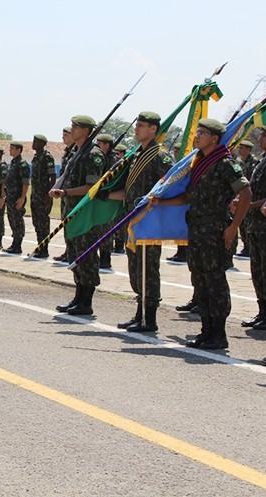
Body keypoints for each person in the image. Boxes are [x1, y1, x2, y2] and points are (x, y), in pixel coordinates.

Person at [153, 118, 250, 349]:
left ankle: (218, 333)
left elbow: (246, 194)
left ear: (214, 139)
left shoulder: (226, 163)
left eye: (201, 133)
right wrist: (161, 202)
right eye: (196, 133)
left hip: (215, 230)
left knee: (215, 280)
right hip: (197, 231)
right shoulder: (200, 163)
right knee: (200, 279)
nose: (196, 137)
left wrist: (233, 227)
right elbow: (188, 197)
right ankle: (206, 330)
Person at [106, 112, 172, 332]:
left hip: (150, 221)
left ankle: (149, 318)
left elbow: (170, 187)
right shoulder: (137, 155)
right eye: (137, 125)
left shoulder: (160, 156)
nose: (137, 129)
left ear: (153, 129)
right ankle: (140, 314)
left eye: (141, 126)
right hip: (134, 220)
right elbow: (130, 189)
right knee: (135, 268)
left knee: (148, 269)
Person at [50, 115, 105, 315]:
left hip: (85, 214)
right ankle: (78, 297)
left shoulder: (93, 155)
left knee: (86, 256)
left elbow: (92, 187)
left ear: (86, 130)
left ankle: (86, 302)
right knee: (75, 256)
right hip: (71, 212)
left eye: (75, 126)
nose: (71, 129)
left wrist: (66, 193)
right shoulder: (76, 152)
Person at [240, 126, 266, 330]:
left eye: (265, 135)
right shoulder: (263, 161)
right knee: (257, 269)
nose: (261, 138)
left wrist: (250, 205)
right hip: (255, 225)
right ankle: (263, 312)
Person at [30, 134, 56, 258]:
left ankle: (44, 249)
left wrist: (49, 195)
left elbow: (53, 177)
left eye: (36, 141)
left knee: (43, 223)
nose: (33, 143)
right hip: (35, 194)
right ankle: (39, 247)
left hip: (43, 196)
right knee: (36, 222)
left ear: (42, 143)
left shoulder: (47, 157)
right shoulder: (36, 157)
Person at [3, 141, 30, 254]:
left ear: (19, 150)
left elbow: (25, 183)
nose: (10, 150)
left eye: (12, 148)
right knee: (12, 219)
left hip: (17, 197)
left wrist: (22, 197)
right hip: (10, 197)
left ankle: (18, 245)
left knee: (17, 220)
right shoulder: (13, 163)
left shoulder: (22, 164)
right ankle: (14, 243)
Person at [235, 139, 259, 257]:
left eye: (243, 148)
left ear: (248, 150)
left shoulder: (255, 162)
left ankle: (249, 246)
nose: (240, 150)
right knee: (241, 222)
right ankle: (245, 246)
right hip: (239, 196)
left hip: (250, 197)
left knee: (248, 223)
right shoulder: (238, 162)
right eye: (239, 148)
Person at [53, 127, 74, 262]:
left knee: (71, 224)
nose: (63, 138)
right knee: (65, 223)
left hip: (72, 194)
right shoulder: (67, 153)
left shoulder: (76, 152)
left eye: (66, 135)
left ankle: (71, 252)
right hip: (64, 194)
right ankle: (68, 251)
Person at [95, 133, 115, 269]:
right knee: (98, 229)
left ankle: (105, 259)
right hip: (99, 197)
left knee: (106, 230)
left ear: (107, 145)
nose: (97, 146)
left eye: (100, 143)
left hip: (109, 199)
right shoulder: (100, 158)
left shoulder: (113, 160)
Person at [112, 143, 128, 254]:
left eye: (118, 153)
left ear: (122, 154)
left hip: (122, 198)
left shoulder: (126, 165)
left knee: (120, 223)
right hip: (114, 197)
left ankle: (119, 246)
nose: (116, 156)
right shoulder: (116, 165)